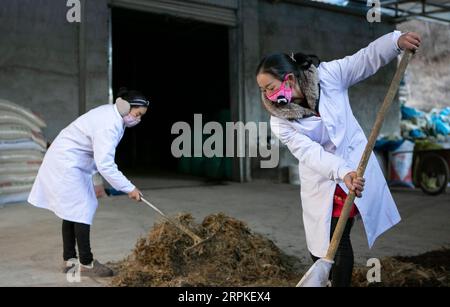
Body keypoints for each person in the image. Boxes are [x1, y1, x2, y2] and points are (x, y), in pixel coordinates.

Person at [256, 31, 421, 286]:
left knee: (338, 238)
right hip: (323, 176)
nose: (267, 95)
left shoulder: (328, 76)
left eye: (270, 88)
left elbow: (364, 60)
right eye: (263, 90)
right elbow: (309, 152)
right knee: (319, 248)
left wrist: (394, 42)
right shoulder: (279, 120)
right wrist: (341, 171)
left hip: (355, 167)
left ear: (288, 79)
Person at [28, 88, 149, 277]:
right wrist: (129, 188)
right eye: (137, 114)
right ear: (125, 106)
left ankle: (70, 260)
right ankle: (86, 263)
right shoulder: (109, 124)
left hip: (70, 162)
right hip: (66, 163)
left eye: (141, 116)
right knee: (83, 207)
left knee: (72, 210)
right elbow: (106, 165)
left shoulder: (112, 115)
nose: (138, 119)